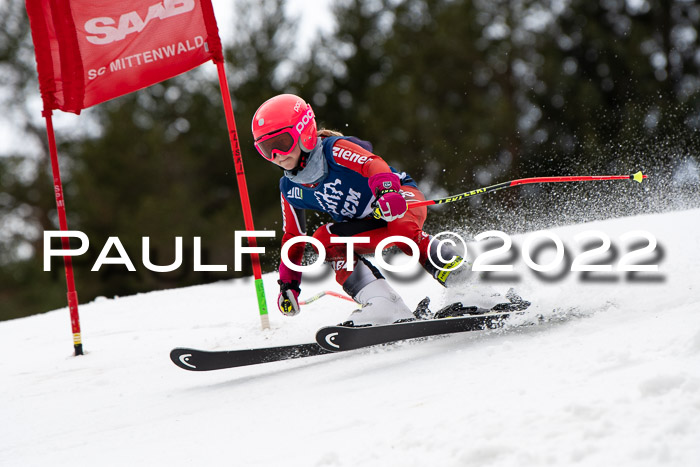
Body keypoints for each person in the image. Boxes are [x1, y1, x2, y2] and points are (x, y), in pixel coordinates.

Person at [251, 94, 466, 326]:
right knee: (324, 239)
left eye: (282, 143)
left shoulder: (332, 151)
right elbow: (293, 238)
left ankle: (465, 281)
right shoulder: (290, 187)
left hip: (398, 199)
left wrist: (387, 191)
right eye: (266, 149)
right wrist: (288, 284)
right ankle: (383, 302)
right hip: (367, 225)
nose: (277, 156)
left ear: (305, 132)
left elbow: (373, 163)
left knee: (402, 229)